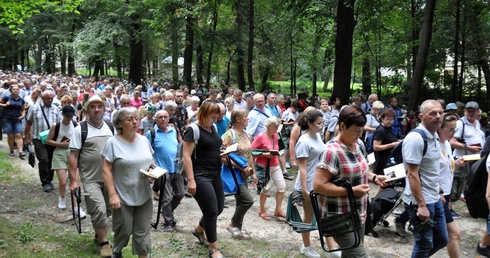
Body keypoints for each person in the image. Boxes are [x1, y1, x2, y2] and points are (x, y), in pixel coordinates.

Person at [313, 105, 389, 257]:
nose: (360, 134)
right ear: (342, 126)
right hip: (338, 216)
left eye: (362, 130)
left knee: (349, 255)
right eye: (356, 130)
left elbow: (360, 170)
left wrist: (374, 177)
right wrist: (351, 192)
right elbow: (318, 186)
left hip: (358, 211)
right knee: (359, 255)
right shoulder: (331, 151)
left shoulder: (358, 144)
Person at [101, 107, 153, 258]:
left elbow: (150, 161)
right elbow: (106, 170)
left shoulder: (144, 140)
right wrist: (112, 195)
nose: (134, 122)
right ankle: (117, 251)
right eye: (129, 119)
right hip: (122, 194)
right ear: (119, 123)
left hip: (143, 193)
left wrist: (152, 172)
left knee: (143, 231)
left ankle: (143, 254)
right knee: (124, 228)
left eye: (136, 118)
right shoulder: (112, 143)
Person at [68, 95, 114, 257]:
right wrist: (74, 181)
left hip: (110, 178)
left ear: (104, 109)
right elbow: (73, 156)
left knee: (108, 209)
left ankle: (98, 233)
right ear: (87, 110)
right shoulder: (81, 129)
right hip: (90, 179)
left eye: (99, 107)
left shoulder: (111, 126)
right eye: (93, 107)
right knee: (99, 209)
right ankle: (104, 243)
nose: (96, 110)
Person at [402, 99, 449, 257]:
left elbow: (433, 168)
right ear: (422, 116)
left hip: (434, 197)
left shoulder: (434, 135)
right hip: (420, 201)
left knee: (442, 239)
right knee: (424, 244)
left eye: (440, 113)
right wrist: (421, 205)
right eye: (433, 113)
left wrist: (440, 192)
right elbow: (412, 174)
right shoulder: (416, 138)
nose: (438, 116)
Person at [294, 110, 340, 258]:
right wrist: (304, 189)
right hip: (308, 185)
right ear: (309, 123)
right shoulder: (303, 141)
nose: (322, 126)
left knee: (324, 215)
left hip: (320, 182)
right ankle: (306, 246)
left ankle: (331, 246)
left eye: (323, 123)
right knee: (309, 216)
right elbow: (302, 168)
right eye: (319, 123)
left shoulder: (318, 136)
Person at [182, 101, 224, 258]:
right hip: (200, 175)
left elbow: (213, 147)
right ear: (203, 114)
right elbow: (186, 156)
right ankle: (213, 247)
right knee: (211, 210)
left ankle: (199, 230)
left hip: (215, 173)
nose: (215, 119)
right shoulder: (193, 130)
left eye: (217, 116)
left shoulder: (212, 127)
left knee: (219, 207)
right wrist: (191, 180)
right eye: (212, 116)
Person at [221, 109, 258, 239]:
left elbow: (250, 154)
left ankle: (238, 231)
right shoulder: (229, 135)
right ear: (238, 119)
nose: (248, 118)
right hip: (234, 173)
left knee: (240, 201)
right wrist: (240, 167)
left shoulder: (247, 134)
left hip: (245, 173)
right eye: (245, 116)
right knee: (248, 201)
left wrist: (253, 173)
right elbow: (222, 156)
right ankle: (232, 224)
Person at [147, 110, 184, 232]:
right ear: (156, 120)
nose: (163, 119)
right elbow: (147, 152)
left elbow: (179, 146)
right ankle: (169, 223)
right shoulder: (151, 133)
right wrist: (152, 170)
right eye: (160, 117)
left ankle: (166, 213)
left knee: (180, 193)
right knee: (166, 198)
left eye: (165, 117)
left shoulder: (174, 131)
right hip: (162, 170)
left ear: (169, 119)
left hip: (176, 168)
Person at [449, 101, 486, 219]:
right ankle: (448, 209)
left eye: (473, 111)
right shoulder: (460, 124)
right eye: (468, 110)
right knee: (455, 184)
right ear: (464, 111)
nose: (470, 113)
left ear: (477, 112)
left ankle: (472, 207)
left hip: (475, 160)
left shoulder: (477, 123)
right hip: (462, 160)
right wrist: (469, 147)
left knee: (466, 184)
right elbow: (452, 141)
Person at [438, 114, 464, 258]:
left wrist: (456, 163)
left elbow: (446, 165)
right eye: (451, 130)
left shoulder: (447, 144)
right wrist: (438, 192)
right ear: (439, 128)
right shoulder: (433, 145)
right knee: (453, 233)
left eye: (455, 130)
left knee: (446, 235)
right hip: (437, 195)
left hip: (445, 194)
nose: (454, 134)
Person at [45, 105, 81, 212]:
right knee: (63, 181)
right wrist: (61, 144)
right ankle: (62, 198)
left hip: (72, 153)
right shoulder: (55, 126)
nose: (69, 118)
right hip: (59, 153)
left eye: (71, 116)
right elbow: (48, 140)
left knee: (75, 180)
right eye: (67, 116)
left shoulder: (75, 125)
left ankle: (76, 207)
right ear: (62, 114)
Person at [24, 90, 61, 192]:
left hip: (52, 139)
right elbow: (28, 123)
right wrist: (27, 138)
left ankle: (49, 179)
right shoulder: (34, 108)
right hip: (38, 138)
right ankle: (45, 182)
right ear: (42, 98)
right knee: (44, 159)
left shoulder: (55, 108)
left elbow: (59, 124)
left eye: (51, 98)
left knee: (51, 159)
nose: (50, 100)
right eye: (48, 98)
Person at [252, 117, 287, 221]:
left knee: (282, 186)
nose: (277, 129)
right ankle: (261, 210)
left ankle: (278, 210)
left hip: (275, 165)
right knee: (266, 188)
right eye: (275, 127)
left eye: (277, 126)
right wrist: (266, 154)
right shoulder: (260, 137)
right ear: (269, 126)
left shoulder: (276, 136)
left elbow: (279, 150)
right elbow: (252, 151)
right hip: (263, 167)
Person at [372, 108, 401, 189]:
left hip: (390, 158)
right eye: (388, 119)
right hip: (382, 159)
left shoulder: (390, 128)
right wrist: (392, 145)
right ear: (382, 118)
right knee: (384, 183)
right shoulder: (380, 130)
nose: (390, 121)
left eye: (392, 120)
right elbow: (376, 147)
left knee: (389, 183)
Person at [0, 84, 26, 158]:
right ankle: (11, 150)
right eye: (14, 89)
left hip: (17, 119)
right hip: (7, 118)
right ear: (11, 90)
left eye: (17, 89)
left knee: (19, 134)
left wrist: (23, 115)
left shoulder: (21, 99)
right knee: (11, 135)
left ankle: (20, 152)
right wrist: (5, 105)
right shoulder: (6, 97)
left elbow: (23, 109)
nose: (16, 90)